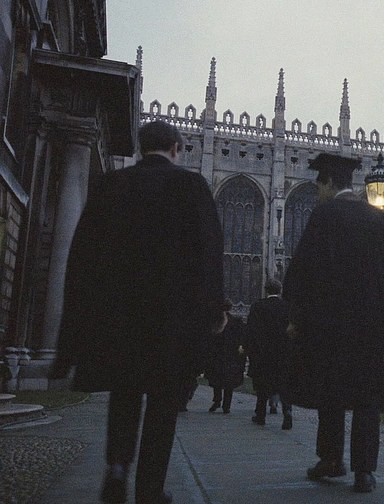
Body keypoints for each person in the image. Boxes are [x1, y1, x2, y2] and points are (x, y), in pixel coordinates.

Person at [49, 120, 225, 504]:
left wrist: (75, 327)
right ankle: (150, 489)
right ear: (177, 149)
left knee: (124, 393)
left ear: (140, 147)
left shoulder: (112, 184)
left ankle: (116, 468)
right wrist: (214, 310)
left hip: (120, 317)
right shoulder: (192, 186)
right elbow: (210, 255)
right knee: (163, 403)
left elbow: (82, 256)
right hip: (171, 321)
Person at [283, 152, 384, 493]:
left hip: (333, 328)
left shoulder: (324, 216)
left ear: (328, 182)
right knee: (367, 401)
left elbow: (302, 272)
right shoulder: (381, 220)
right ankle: (364, 472)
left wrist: (297, 317)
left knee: (332, 396)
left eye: (319, 186)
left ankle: (331, 459)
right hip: (375, 331)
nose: (318, 193)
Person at [245, 278, 292, 428]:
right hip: (282, 353)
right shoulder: (287, 307)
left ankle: (260, 416)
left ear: (266, 290)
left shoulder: (258, 306)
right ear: (280, 290)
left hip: (263, 353)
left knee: (262, 386)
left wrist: (251, 350)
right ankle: (287, 411)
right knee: (283, 384)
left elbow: (251, 330)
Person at [206, 301, 246, 414]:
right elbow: (241, 337)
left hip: (218, 354)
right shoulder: (236, 321)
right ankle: (226, 405)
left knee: (217, 379)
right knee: (229, 382)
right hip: (231, 354)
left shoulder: (217, 321)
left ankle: (217, 400)